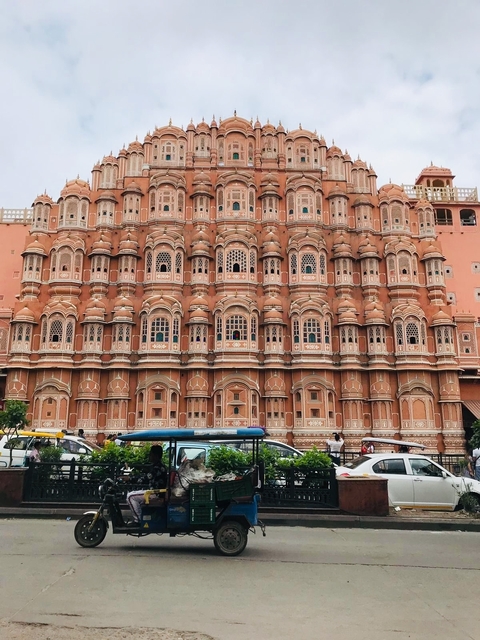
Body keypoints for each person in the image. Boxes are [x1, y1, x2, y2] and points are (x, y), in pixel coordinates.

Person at [126, 445, 168, 523]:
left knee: (130, 497)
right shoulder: (157, 466)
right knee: (133, 494)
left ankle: (138, 520)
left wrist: (130, 479)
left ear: (156, 456)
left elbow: (145, 478)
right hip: (153, 492)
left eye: (150, 454)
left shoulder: (157, 468)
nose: (149, 456)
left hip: (156, 493)